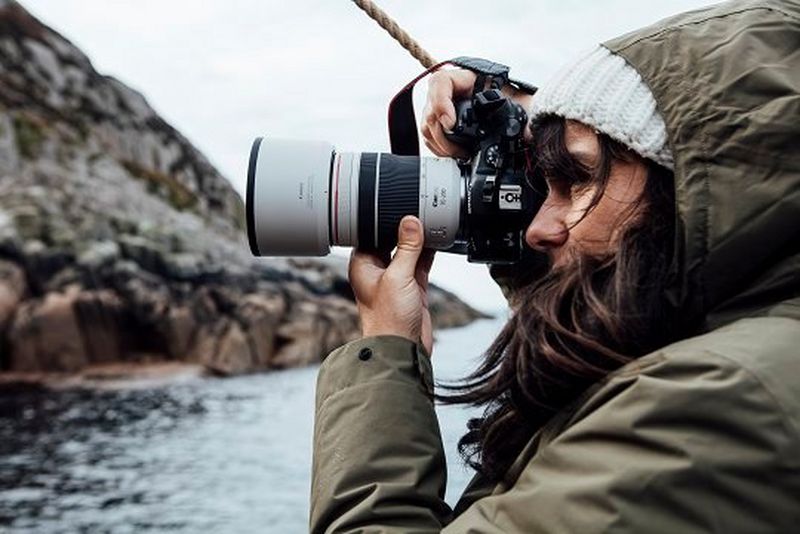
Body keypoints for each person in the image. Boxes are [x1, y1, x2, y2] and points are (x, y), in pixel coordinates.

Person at [310, 0, 800, 532]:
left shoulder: (717, 400)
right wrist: (525, 126)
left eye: (577, 181)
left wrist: (384, 353)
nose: (537, 229)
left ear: (697, 193)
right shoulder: (724, 341)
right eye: (547, 182)